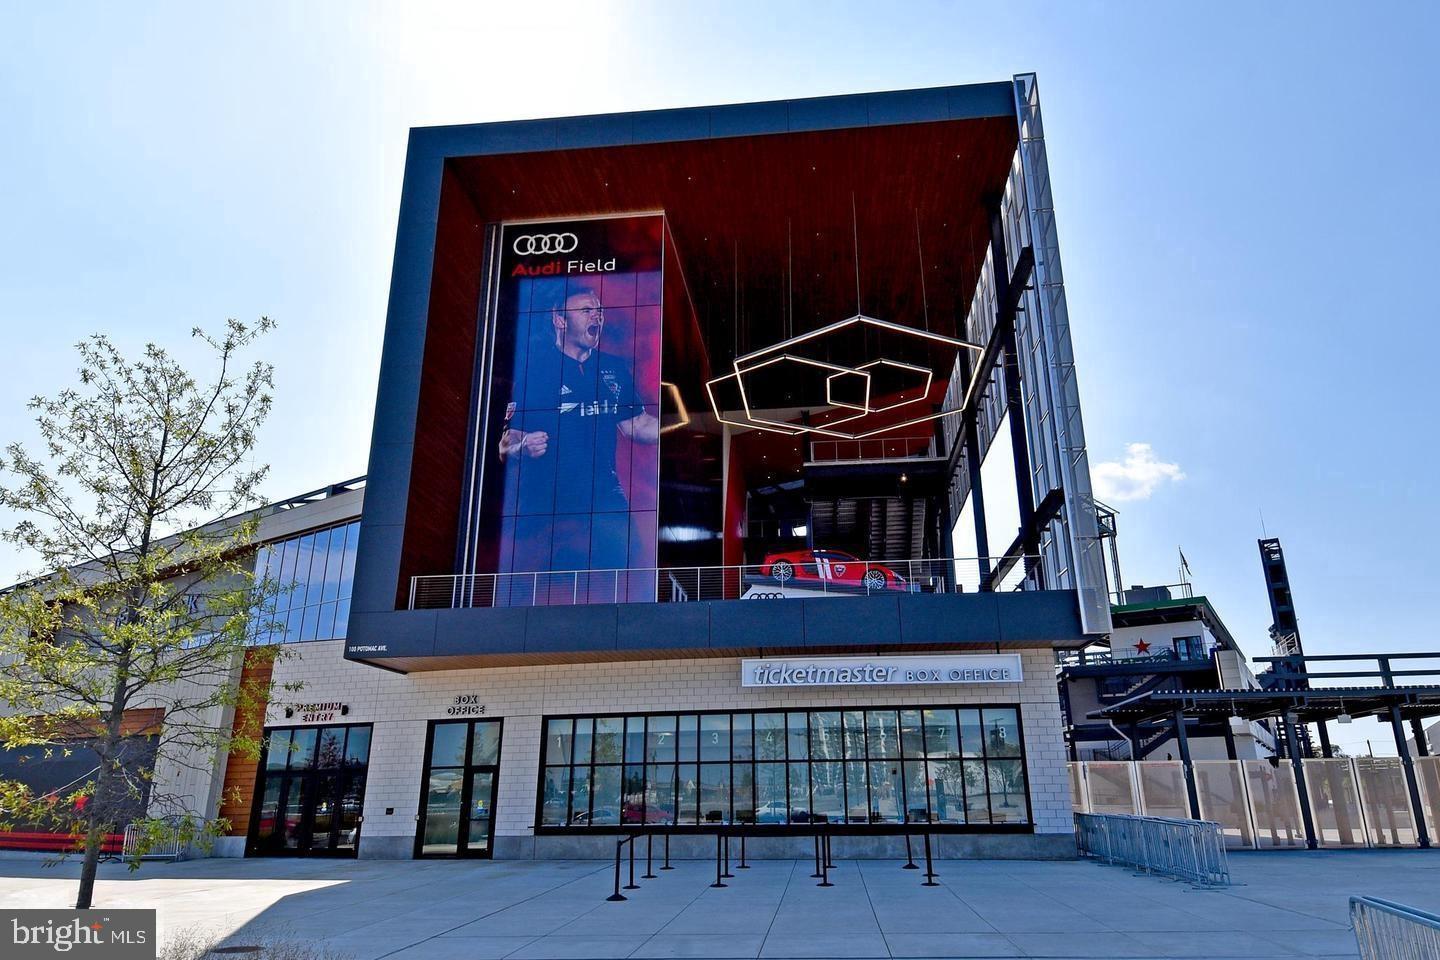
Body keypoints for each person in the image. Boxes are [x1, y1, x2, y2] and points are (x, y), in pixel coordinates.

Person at [498, 286, 658, 572]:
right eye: (586, 310)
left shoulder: (613, 367)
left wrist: (678, 428)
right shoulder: (533, 370)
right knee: (553, 576)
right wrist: (523, 445)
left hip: (603, 491)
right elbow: (505, 443)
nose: (597, 316)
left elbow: (636, 424)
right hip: (548, 498)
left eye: (599, 311)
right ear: (560, 320)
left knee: (628, 558)